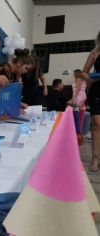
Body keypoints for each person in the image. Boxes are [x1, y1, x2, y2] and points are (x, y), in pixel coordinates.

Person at [83, 30, 100, 171]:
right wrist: (90, 77)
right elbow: (83, 74)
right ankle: (95, 158)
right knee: (96, 123)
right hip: (97, 89)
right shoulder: (94, 53)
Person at [67, 70, 88, 137]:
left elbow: (78, 90)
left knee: (75, 112)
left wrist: (73, 99)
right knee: (81, 112)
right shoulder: (84, 79)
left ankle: (77, 131)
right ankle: (79, 131)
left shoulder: (78, 78)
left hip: (78, 96)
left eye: (74, 73)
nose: (73, 75)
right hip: (82, 96)